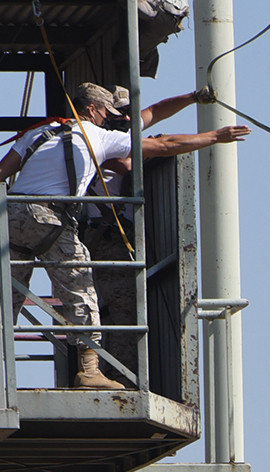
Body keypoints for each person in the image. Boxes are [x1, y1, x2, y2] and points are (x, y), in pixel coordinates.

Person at [0, 82, 250, 390]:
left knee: (7, 296)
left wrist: (191, 97)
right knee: (80, 291)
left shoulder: (39, 133)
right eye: (106, 112)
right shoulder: (99, 136)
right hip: (50, 218)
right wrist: (214, 137)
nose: (109, 118)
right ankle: (89, 371)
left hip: (10, 216)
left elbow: (2, 173)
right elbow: (165, 145)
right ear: (92, 109)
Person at [80, 85, 216, 384]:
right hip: (106, 238)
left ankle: (119, 375)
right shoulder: (98, 142)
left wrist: (192, 98)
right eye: (120, 115)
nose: (128, 120)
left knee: (119, 310)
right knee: (120, 311)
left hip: (113, 236)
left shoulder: (120, 134)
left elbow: (156, 111)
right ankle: (122, 379)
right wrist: (152, 145)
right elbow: (128, 163)